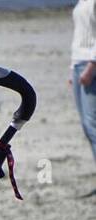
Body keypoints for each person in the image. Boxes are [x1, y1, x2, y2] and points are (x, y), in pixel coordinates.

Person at [71, 0, 96, 178]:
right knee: (86, 127)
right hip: (78, 63)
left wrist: (91, 66)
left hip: (90, 64)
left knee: (92, 125)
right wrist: (72, 68)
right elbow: (78, 35)